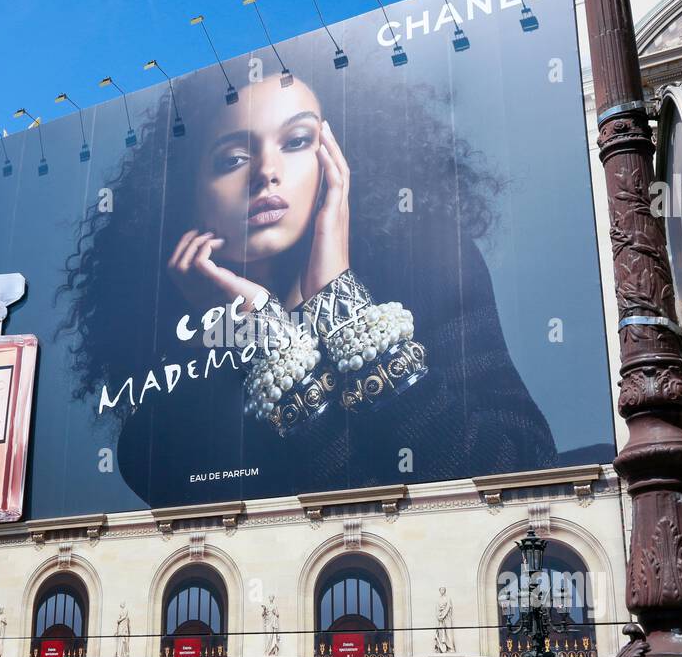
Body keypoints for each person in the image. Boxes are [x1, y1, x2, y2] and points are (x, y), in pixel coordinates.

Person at [57, 60, 558, 513]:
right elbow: (328, 530)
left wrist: (339, 301)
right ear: (181, 193)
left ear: (334, 156)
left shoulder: (428, 263)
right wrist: (261, 338)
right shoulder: (160, 419)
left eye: (297, 141)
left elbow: (519, 475)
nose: (267, 174)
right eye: (233, 158)